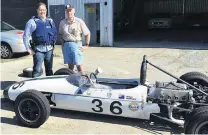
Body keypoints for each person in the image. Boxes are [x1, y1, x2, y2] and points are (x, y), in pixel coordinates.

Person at [23, 2, 57, 78]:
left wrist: (53, 45)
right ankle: (35, 89)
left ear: (46, 10)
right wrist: (28, 49)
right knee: (37, 71)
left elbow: (54, 34)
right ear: (37, 11)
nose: (42, 11)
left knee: (49, 70)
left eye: (44, 10)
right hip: (38, 50)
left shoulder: (50, 21)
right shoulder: (32, 22)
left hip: (49, 49)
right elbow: (25, 36)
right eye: (40, 10)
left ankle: (49, 87)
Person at [59, 4, 91, 75]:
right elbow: (61, 34)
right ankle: (71, 80)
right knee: (70, 66)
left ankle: (83, 79)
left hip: (76, 45)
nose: (69, 12)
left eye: (70, 11)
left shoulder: (79, 21)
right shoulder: (62, 22)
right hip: (66, 46)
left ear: (74, 11)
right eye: (67, 11)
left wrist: (86, 45)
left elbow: (87, 33)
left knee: (79, 65)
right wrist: (62, 45)